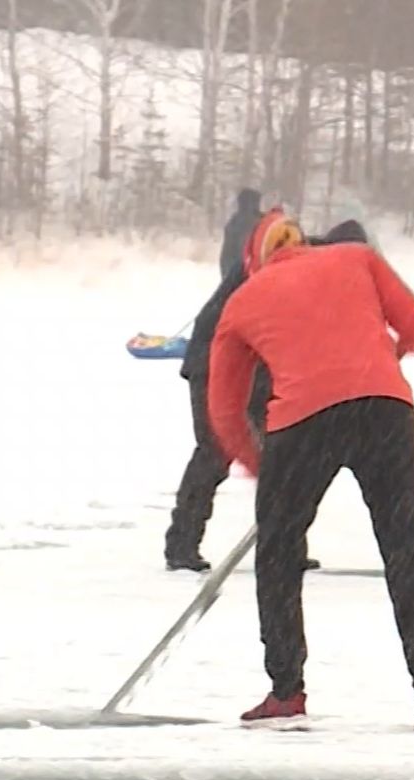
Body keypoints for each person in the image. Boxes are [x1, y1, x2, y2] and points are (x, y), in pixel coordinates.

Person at [207, 209, 414, 731]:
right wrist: (388, 354)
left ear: (255, 259)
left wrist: (260, 466)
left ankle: (285, 690)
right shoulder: (357, 259)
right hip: (385, 410)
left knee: (279, 554)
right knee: (405, 549)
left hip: (301, 425)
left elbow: (225, 409)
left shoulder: (242, 301)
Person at [165, 188, 268, 572]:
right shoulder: (262, 267)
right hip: (214, 364)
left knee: (279, 453)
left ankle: (283, 544)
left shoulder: (274, 256)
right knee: (214, 452)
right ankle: (181, 546)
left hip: (249, 365)